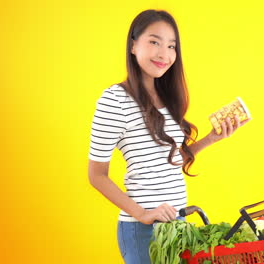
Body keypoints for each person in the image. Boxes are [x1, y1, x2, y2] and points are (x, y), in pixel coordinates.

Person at [87, 9, 249, 264]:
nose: (164, 54)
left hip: (177, 222)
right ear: (133, 45)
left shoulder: (167, 99)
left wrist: (210, 139)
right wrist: (142, 214)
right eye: (154, 42)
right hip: (143, 230)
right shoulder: (114, 100)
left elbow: (166, 161)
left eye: (171, 46)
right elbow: (96, 175)